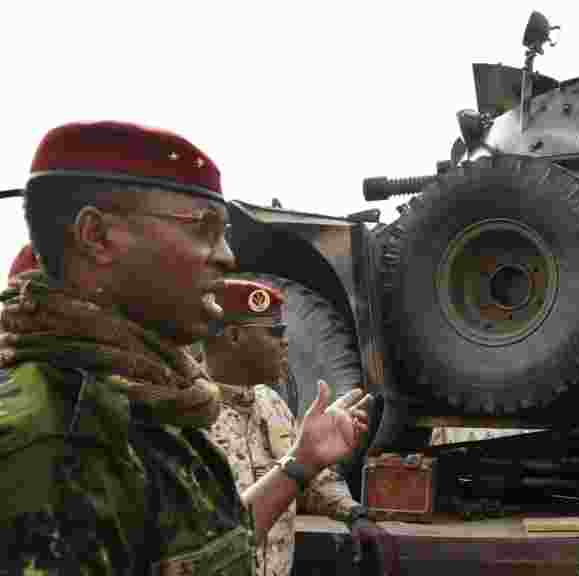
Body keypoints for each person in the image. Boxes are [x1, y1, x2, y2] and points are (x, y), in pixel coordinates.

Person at [0, 120, 372, 574]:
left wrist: (303, 462)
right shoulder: (53, 442)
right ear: (97, 236)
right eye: (203, 228)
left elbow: (213, 548)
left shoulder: (152, 408)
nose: (227, 257)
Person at [201, 277, 364, 576]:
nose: (285, 341)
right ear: (234, 337)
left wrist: (352, 512)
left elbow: (304, 480)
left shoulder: (272, 404)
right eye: (274, 332)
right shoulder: (189, 416)